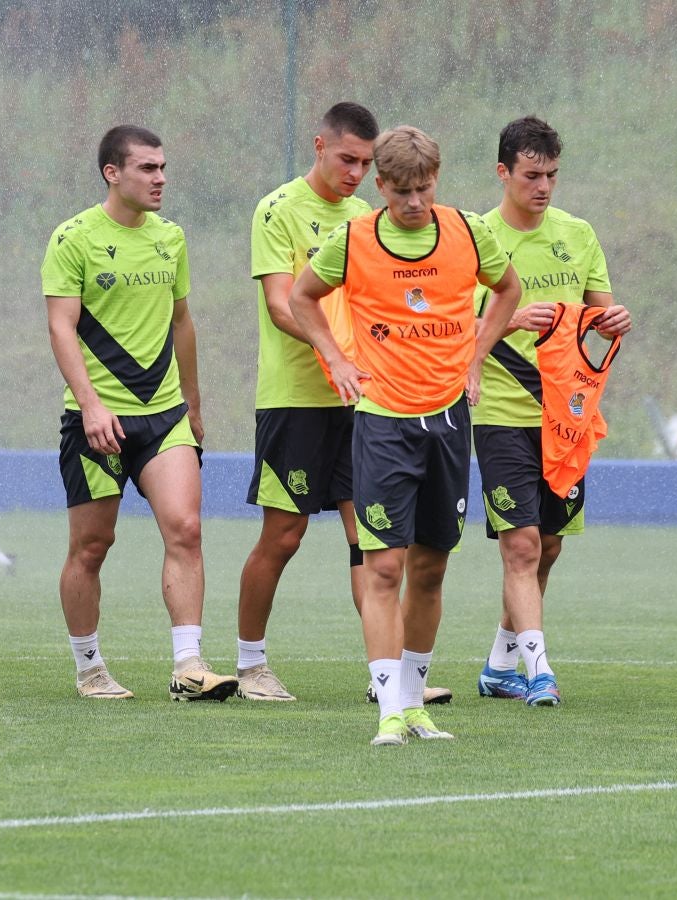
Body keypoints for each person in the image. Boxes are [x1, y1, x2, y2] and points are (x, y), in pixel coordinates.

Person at [289, 126, 522, 746]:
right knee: (383, 567)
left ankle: (416, 705)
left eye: (425, 188)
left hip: (448, 421)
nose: (415, 202)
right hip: (383, 422)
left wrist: (476, 356)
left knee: (431, 568)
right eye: (402, 192)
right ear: (381, 185)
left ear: (436, 180)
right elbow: (302, 296)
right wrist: (336, 359)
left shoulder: (467, 231)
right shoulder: (355, 239)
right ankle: (389, 709)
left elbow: (508, 290)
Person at [235, 102, 451, 705]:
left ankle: (387, 677)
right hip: (297, 399)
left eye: (365, 164)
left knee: (373, 542)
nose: (356, 173)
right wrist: (334, 356)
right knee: (284, 535)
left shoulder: (368, 218)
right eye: (347, 159)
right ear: (319, 146)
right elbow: (283, 303)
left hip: (368, 402)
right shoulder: (277, 209)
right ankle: (251, 664)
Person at [41, 125, 236, 702]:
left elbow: (182, 322)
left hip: (165, 416)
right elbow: (61, 327)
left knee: (186, 529)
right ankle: (89, 668)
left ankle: (189, 666)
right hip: (97, 422)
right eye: (148, 168)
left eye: (163, 168)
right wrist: (91, 405)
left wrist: (193, 403)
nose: (161, 179)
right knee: (92, 546)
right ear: (113, 173)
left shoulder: (170, 238)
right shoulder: (73, 237)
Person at [472, 117, 631, 707]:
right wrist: (510, 318)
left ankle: (499, 665)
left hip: (565, 417)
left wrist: (614, 320)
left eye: (552, 176)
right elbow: (450, 326)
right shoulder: (477, 238)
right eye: (531, 176)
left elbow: (601, 314)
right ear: (503, 173)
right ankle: (540, 671)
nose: (543, 187)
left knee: (549, 546)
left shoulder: (577, 234)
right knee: (521, 547)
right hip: (500, 413)